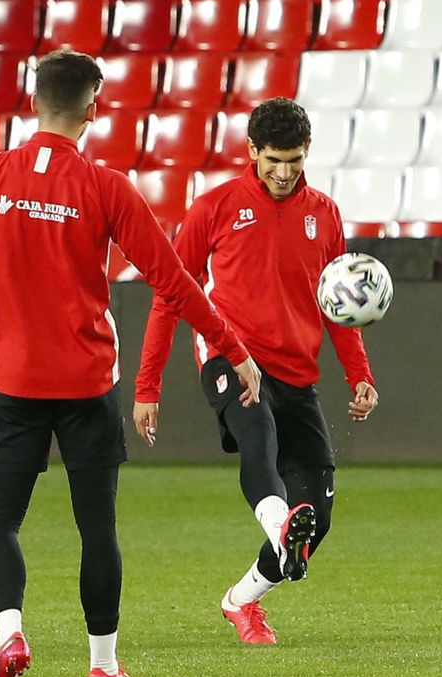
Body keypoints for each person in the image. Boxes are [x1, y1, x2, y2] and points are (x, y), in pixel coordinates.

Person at [0, 49, 262, 677]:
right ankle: (103, 667)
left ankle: (9, 635)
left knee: (0, 525)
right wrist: (234, 347)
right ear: (94, 109)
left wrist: (2, 270)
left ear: (32, 103)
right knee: (97, 528)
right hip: (85, 387)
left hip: (12, 384)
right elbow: (174, 280)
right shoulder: (107, 188)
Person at [133, 98, 377, 646]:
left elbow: (339, 308)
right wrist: (147, 387)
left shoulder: (326, 213)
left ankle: (242, 600)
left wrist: (358, 374)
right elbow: (170, 294)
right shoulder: (215, 207)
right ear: (251, 151)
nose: (284, 172)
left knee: (320, 512)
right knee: (257, 435)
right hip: (231, 357)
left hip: (297, 372)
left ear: (307, 152)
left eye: (293, 159)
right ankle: (278, 525)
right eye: (273, 160)